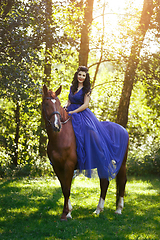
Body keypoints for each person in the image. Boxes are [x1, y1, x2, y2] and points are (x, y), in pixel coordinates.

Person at [66, 66, 129, 180]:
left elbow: (85, 105)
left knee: (88, 130)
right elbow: (69, 100)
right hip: (70, 111)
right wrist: (66, 107)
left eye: (83, 75)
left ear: (86, 77)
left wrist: (73, 111)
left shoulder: (87, 89)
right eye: (79, 74)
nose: (81, 77)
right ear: (76, 75)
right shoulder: (72, 87)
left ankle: (96, 155)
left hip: (82, 113)